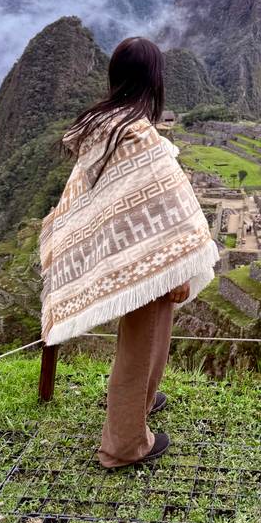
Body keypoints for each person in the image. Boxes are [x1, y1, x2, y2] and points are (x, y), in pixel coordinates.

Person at [39, 36, 219, 469]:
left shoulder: (103, 124)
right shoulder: (138, 136)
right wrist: (175, 266)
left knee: (150, 334)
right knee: (141, 342)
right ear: (154, 80)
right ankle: (124, 445)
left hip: (127, 254)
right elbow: (168, 207)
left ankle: (141, 404)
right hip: (145, 258)